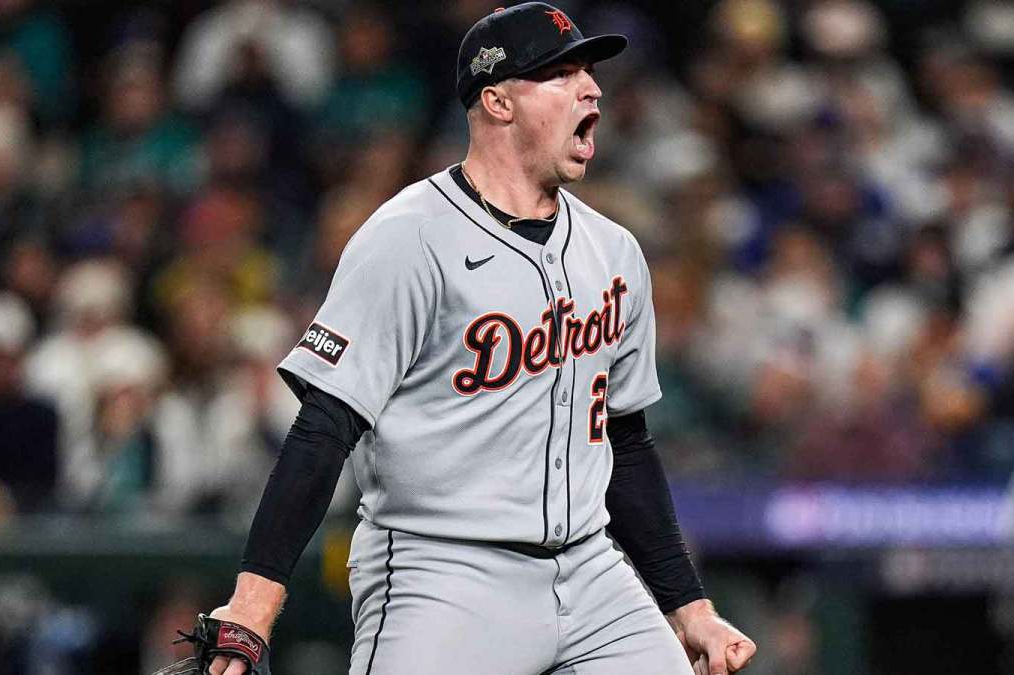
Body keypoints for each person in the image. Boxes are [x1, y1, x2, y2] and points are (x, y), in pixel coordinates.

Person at [202, 4, 755, 674]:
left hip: (591, 568)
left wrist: (689, 607)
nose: (592, 88)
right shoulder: (409, 236)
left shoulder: (614, 251)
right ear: (497, 101)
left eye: (589, 72)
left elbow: (625, 444)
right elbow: (323, 427)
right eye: (560, 73)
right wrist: (254, 603)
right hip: (443, 574)